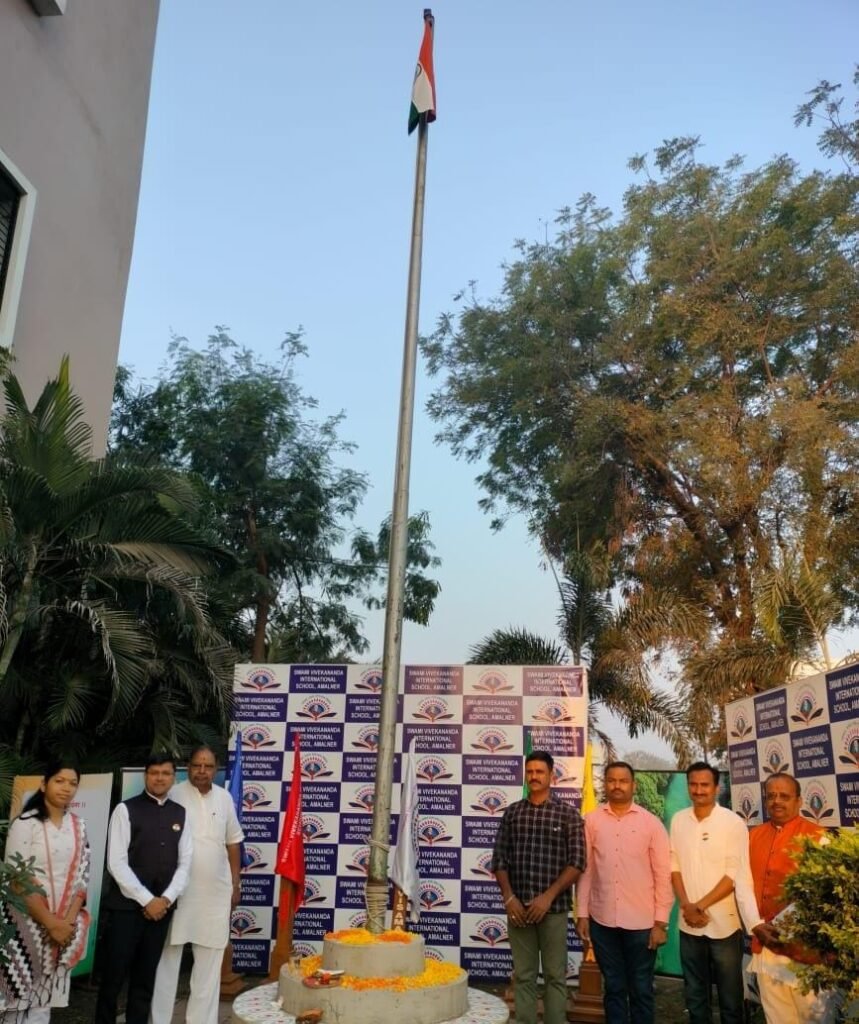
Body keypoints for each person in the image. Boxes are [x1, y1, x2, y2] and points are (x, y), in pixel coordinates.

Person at [150, 745, 244, 1024]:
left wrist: (235, 883)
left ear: (216, 769)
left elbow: (233, 842)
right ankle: (159, 1020)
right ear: (187, 767)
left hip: (215, 894)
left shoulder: (224, 798)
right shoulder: (173, 794)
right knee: (167, 962)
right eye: (197, 765)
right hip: (176, 894)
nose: (202, 771)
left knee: (209, 965)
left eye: (208, 766)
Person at [94, 754, 191, 1024]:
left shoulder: (180, 813)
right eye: (154, 772)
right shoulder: (125, 810)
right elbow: (116, 863)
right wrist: (148, 900)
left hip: (161, 912)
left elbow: (185, 863)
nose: (160, 778)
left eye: (166, 773)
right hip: (126, 910)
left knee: (144, 981)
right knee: (113, 979)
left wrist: (165, 899)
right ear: (145, 776)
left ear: (174, 778)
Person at [491, 749, 586, 1024]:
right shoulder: (512, 813)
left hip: (553, 910)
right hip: (518, 910)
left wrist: (547, 897)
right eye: (530, 771)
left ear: (551, 775)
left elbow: (578, 862)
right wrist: (509, 898)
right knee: (524, 976)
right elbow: (499, 859)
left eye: (540, 772)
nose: (534, 776)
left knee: (556, 976)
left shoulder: (568, 815)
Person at [575, 761, 673, 1023]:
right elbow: (586, 870)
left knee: (641, 989)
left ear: (634, 785)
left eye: (623, 781)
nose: (617, 785)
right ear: (604, 784)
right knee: (614, 987)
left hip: (642, 924)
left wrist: (660, 923)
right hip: (602, 922)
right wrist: (582, 913)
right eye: (611, 780)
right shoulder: (591, 821)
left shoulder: (651, 824)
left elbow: (663, 876)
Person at [669, 761, 759, 1024]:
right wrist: (687, 905)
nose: (698, 790)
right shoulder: (679, 820)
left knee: (730, 998)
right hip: (689, 924)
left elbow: (733, 875)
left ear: (717, 788)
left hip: (724, 927)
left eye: (704, 785)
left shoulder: (732, 823)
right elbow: (674, 866)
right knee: (695, 995)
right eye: (693, 784)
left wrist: (699, 906)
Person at [0, 762, 90, 1024]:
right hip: (24, 923)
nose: (66, 788)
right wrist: (51, 923)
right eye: (59, 781)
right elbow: (17, 879)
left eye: (72, 783)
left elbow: (83, 876)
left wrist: (66, 924)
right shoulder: (25, 824)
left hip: (62, 928)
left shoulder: (79, 826)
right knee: (16, 1003)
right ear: (44, 784)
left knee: (43, 1003)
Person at [747, 772, 838, 1024]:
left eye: (784, 796)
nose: (777, 801)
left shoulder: (819, 837)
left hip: (807, 953)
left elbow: (827, 897)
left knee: (815, 1019)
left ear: (799, 801)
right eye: (771, 796)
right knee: (777, 1018)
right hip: (767, 948)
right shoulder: (753, 836)